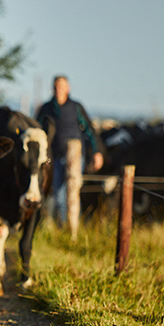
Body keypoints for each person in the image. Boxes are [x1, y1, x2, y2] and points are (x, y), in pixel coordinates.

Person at [36, 75, 103, 225]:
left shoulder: (75, 107)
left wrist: (96, 152)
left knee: (73, 190)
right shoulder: (46, 108)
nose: (58, 89)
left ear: (68, 88)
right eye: (56, 86)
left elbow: (90, 130)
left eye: (61, 86)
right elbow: (38, 130)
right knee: (59, 193)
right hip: (55, 156)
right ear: (52, 88)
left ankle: (74, 227)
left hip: (75, 157)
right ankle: (63, 226)